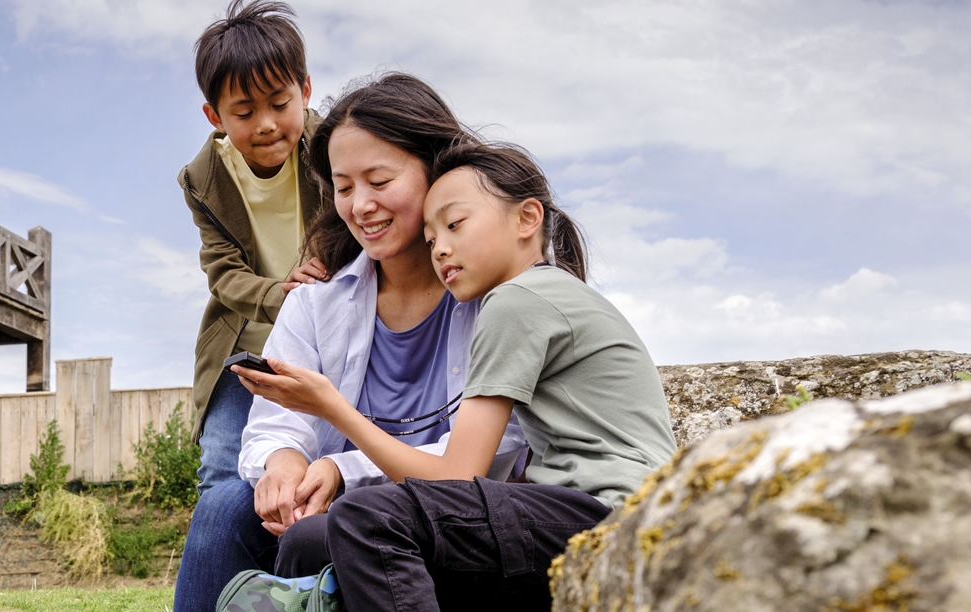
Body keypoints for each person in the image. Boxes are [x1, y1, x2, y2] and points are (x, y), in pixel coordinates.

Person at [236, 142, 678, 610]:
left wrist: (332, 409)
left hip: (612, 514)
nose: (441, 248)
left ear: (528, 219)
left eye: (455, 225)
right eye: (430, 239)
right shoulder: (541, 295)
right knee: (327, 536)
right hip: (604, 512)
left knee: (368, 518)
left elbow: (454, 479)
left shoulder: (517, 302)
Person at [174, 73, 528, 612]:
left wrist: (343, 471)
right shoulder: (316, 303)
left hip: (456, 520)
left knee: (324, 533)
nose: (360, 205)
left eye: (379, 181)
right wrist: (284, 466)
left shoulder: (497, 297)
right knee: (227, 506)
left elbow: (498, 451)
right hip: (334, 520)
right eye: (343, 187)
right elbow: (275, 422)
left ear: (436, 173)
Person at [181, 0, 329, 496]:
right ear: (215, 116)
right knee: (223, 473)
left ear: (305, 91)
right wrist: (280, 293)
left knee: (325, 461)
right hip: (245, 346)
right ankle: (230, 573)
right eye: (244, 112)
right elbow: (223, 274)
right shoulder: (203, 179)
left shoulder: (336, 147)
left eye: (279, 104)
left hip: (327, 337)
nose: (265, 123)